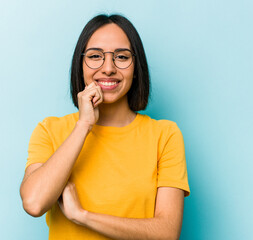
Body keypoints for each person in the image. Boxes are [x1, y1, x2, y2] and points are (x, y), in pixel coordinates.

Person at [20, 14, 190, 240]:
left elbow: (166, 234)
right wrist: (84, 125)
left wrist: (82, 216)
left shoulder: (165, 135)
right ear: (80, 65)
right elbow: (34, 202)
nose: (108, 68)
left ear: (136, 67)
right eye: (95, 56)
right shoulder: (50, 130)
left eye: (121, 56)